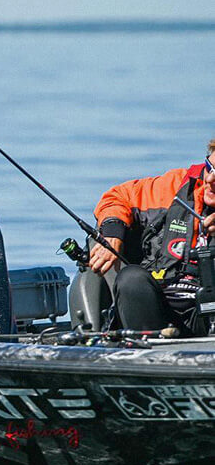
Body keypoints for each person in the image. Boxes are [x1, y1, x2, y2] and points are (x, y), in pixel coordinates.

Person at [88, 138, 215, 334]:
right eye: (209, 167)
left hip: (206, 313)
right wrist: (112, 234)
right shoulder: (177, 185)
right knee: (131, 278)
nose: (210, 180)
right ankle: (147, 355)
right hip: (161, 308)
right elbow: (118, 196)